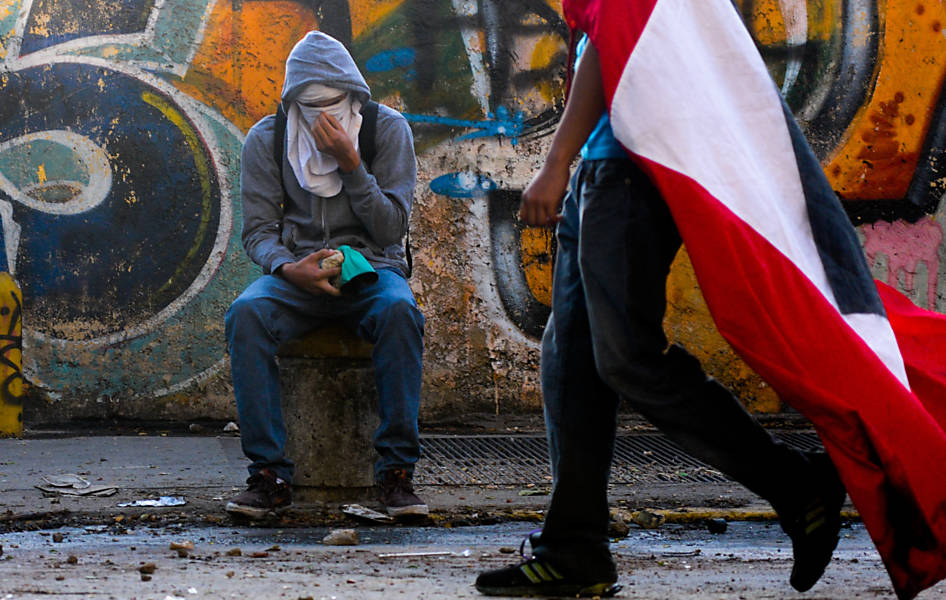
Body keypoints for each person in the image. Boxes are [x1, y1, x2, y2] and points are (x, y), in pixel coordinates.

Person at [474, 33, 846, 597]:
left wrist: (554, 162)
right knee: (570, 359)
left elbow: (609, 39)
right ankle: (573, 550)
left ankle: (797, 485)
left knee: (627, 358)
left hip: (630, 172)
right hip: (605, 172)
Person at [224, 31, 427, 519]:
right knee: (246, 314)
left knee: (401, 311)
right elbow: (257, 231)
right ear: (294, 102)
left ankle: (396, 474)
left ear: (354, 95)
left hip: (372, 269)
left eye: (334, 104)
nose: (324, 117)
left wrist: (352, 165)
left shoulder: (387, 131)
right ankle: (269, 475)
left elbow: (392, 228)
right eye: (312, 106)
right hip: (297, 275)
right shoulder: (268, 139)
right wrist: (288, 267)